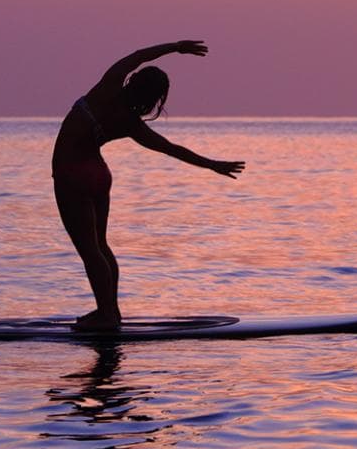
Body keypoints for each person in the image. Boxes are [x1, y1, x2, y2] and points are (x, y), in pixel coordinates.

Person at [52, 40, 245, 331]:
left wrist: (177, 47)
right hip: (99, 174)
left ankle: (106, 315)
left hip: (72, 173)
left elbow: (138, 55)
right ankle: (110, 312)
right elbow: (171, 148)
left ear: (134, 80)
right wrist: (212, 164)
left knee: (89, 249)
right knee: (100, 246)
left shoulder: (109, 86)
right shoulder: (131, 123)